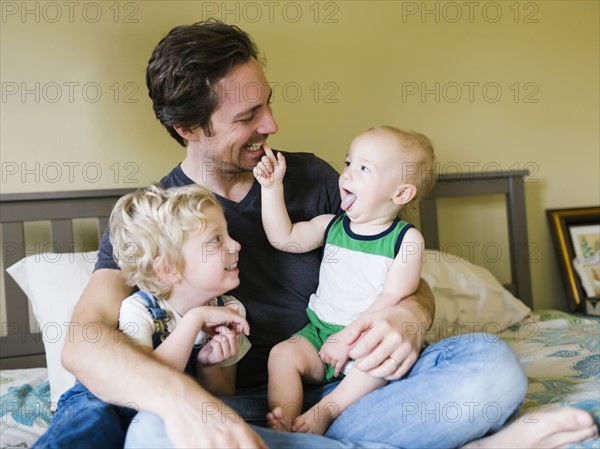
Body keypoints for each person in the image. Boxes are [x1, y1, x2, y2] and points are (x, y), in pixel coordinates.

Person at [37, 19, 595, 449]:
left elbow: (398, 269)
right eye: (247, 116)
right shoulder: (157, 217)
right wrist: (180, 400)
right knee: (154, 437)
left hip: (353, 390)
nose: (272, 124)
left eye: (268, 102)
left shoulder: (316, 178)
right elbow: (85, 340)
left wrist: (408, 316)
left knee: (489, 368)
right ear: (188, 128)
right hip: (234, 406)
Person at [253, 128, 435, 434]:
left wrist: (349, 337)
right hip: (319, 332)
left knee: (380, 365)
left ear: (401, 193)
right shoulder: (330, 226)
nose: (347, 175)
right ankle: (284, 421)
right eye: (348, 162)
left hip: (366, 338)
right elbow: (284, 238)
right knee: (282, 354)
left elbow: (392, 298)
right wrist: (271, 189)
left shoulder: (406, 240)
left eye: (363, 168)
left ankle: (325, 411)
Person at [111, 184, 251, 397]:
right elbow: (145, 387)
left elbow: (225, 395)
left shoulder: (231, 311)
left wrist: (208, 367)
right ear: (169, 268)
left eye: (227, 234)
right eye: (216, 239)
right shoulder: (139, 311)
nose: (236, 245)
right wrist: (196, 318)